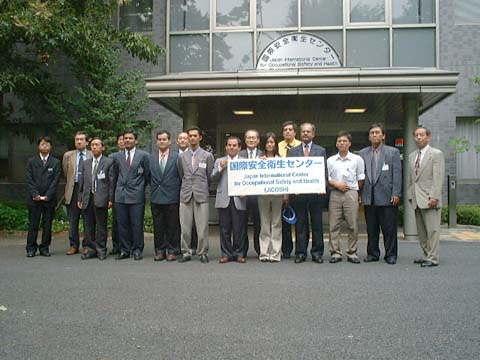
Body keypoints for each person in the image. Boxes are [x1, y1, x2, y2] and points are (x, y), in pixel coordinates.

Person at [359, 124, 402, 265]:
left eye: (377, 133)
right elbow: (359, 175)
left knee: (389, 228)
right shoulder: (362, 153)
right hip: (368, 196)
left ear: (383, 136)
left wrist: (396, 193)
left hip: (387, 195)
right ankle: (372, 253)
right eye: (371, 133)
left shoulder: (392, 152)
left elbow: (397, 174)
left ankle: (390, 255)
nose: (374, 135)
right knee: (371, 228)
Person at [287, 123, 329, 263]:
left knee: (317, 224)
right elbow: (289, 172)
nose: (305, 133)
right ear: (300, 134)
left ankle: (317, 253)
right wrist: (293, 188)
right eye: (303, 131)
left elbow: (324, 171)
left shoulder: (321, 150)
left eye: (308, 131)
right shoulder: (292, 152)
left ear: (313, 134)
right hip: (298, 195)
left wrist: (322, 186)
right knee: (301, 225)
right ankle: (300, 252)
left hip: (316, 195)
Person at [407, 126, 445, 267]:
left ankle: (433, 258)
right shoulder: (412, 156)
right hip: (416, 198)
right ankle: (426, 255)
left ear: (428, 137)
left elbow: (438, 177)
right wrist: (410, 195)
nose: (418, 138)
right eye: (416, 135)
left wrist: (434, 196)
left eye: (421, 135)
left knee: (433, 230)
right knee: (422, 231)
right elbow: (412, 178)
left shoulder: (436, 154)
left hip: (430, 198)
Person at [177, 126, 214, 263]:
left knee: (202, 226)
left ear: (200, 138)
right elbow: (181, 174)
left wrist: (202, 187)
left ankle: (203, 252)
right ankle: (186, 252)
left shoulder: (207, 156)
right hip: (186, 193)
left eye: (194, 136)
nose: (192, 138)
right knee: (185, 227)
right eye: (190, 136)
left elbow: (210, 176)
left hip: (201, 193)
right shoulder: (181, 157)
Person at [111, 130, 150, 260]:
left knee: (136, 224)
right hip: (120, 195)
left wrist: (139, 188)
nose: (127, 140)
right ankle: (124, 249)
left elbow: (147, 176)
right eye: (125, 138)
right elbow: (115, 176)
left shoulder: (143, 156)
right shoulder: (116, 157)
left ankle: (137, 249)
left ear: (136, 141)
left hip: (136, 195)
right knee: (122, 224)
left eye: (130, 138)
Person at [327, 131, 365, 264]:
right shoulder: (330, 160)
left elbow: (361, 178)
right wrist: (337, 185)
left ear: (349, 143)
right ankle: (335, 252)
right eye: (339, 141)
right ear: (336, 144)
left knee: (352, 224)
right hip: (335, 193)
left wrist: (354, 190)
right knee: (333, 224)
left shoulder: (357, 159)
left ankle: (352, 252)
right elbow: (327, 178)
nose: (341, 143)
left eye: (344, 141)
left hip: (351, 193)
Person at [77, 137, 115, 260]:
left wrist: (110, 199)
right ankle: (90, 249)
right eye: (92, 145)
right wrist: (80, 198)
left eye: (97, 145)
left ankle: (101, 249)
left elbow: (111, 182)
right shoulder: (86, 163)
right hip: (87, 198)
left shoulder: (108, 162)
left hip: (101, 198)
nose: (94, 147)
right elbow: (82, 182)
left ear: (102, 147)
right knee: (88, 226)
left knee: (101, 226)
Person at [212, 137, 248, 263]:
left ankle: (239, 253)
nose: (232, 147)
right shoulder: (219, 161)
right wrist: (220, 168)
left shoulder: (245, 162)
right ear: (226, 147)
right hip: (223, 198)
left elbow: (249, 180)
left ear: (239, 148)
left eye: (234, 145)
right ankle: (226, 253)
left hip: (239, 199)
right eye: (229, 145)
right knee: (224, 229)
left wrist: (246, 191)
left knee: (239, 229)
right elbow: (212, 178)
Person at [25, 137, 61, 257]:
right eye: (42, 144)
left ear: (50, 147)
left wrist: (48, 196)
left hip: (49, 200)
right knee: (33, 225)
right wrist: (35, 194)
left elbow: (56, 181)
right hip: (34, 200)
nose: (44, 145)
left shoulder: (55, 162)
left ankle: (44, 248)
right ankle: (31, 248)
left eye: (47, 144)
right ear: (38, 146)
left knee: (47, 225)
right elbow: (29, 180)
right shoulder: (31, 161)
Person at [150, 130, 181, 261]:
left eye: (164, 139)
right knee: (158, 226)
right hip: (156, 196)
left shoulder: (177, 157)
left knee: (172, 226)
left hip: (172, 196)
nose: (162, 141)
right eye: (160, 139)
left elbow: (181, 176)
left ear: (169, 141)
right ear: (157, 141)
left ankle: (172, 250)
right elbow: (148, 176)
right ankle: (159, 250)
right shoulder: (150, 157)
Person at [63, 131, 92, 255]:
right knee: (73, 220)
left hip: (87, 190)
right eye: (77, 139)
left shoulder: (92, 154)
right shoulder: (68, 156)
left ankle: (87, 245)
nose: (79, 142)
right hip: (73, 190)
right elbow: (66, 172)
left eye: (81, 139)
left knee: (88, 219)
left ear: (86, 142)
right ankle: (73, 245)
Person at [257, 133, 284, 262]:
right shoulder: (258, 159)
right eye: (267, 142)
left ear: (276, 144)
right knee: (264, 223)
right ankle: (264, 253)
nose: (270, 144)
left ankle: (275, 253)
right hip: (262, 195)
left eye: (272, 142)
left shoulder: (281, 160)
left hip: (278, 195)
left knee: (276, 223)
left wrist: (286, 196)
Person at [278, 121, 302, 259]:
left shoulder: (300, 146)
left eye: (290, 130)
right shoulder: (278, 146)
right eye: (285, 130)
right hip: (282, 188)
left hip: (298, 188)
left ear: (294, 132)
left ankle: (300, 250)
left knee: (299, 221)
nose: (287, 132)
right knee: (285, 222)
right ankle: (286, 249)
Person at [239, 129, 262, 257]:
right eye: (249, 138)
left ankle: (260, 250)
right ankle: (242, 251)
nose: (251, 140)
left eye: (254, 138)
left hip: (258, 196)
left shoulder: (263, 155)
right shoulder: (239, 154)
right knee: (242, 225)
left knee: (259, 224)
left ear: (258, 140)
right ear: (245, 140)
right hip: (243, 196)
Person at [177, 131, 197, 255]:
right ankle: (184, 249)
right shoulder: (179, 157)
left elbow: (207, 175)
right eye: (181, 138)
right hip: (183, 193)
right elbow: (181, 174)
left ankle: (198, 248)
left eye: (186, 138)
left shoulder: (204, 155)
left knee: (198, 225)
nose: (184, 140)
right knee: (183, 224)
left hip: (198, 193)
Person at [108, 133, 125, 256]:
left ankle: (127, 245)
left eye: (124, 140)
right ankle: (116, 245)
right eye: (120, 140)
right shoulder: (112, 157)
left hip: (130, 192)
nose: (122, 142)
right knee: (117, 221)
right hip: (115, 192)